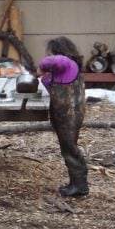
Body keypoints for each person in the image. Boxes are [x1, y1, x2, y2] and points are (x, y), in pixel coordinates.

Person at [36, 36, 88, 197]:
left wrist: (41, 66)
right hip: (64, 114)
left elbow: (56, 60)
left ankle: (80, 186)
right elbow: (49, 82)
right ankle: (75, 183)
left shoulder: (67, 63)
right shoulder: (63, 71)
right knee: (67, 148)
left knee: (70, 148)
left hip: (69, 115)